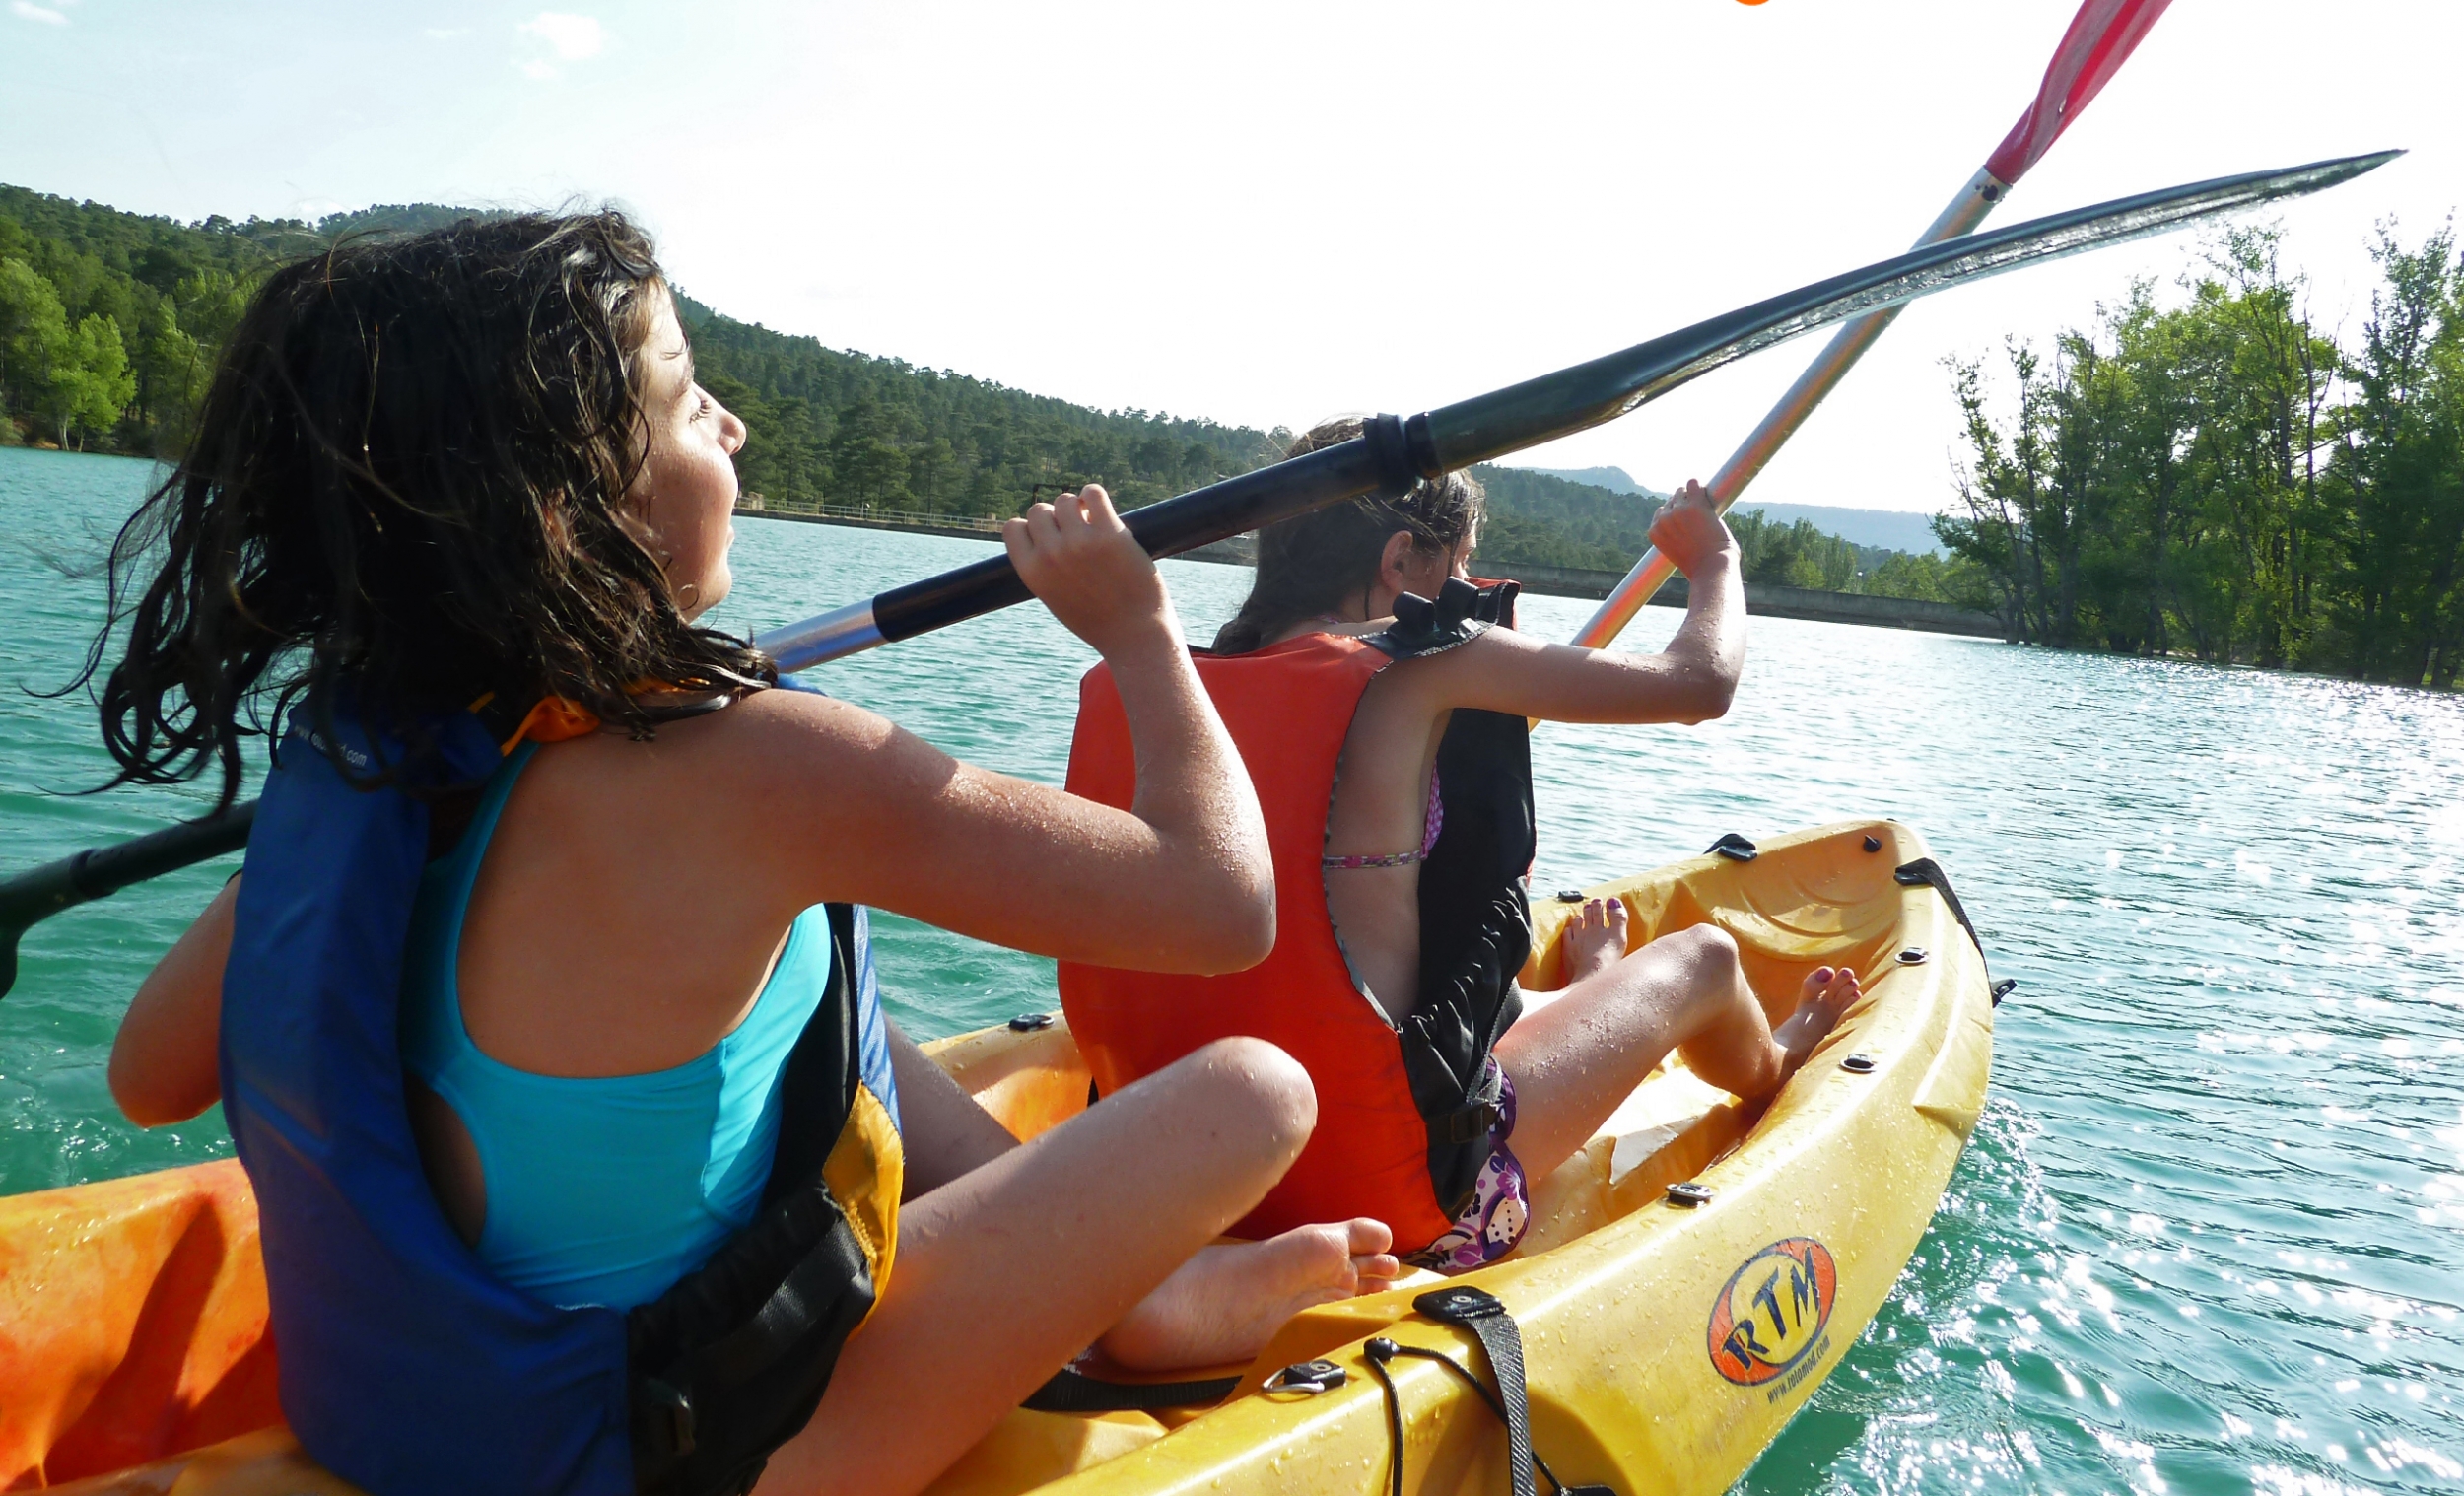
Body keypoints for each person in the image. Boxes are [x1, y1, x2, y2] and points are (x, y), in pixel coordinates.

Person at [97, 216, 1395, 1496]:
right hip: (674, 1454)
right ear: (569, 511)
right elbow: (1221, 902)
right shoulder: (761, 770)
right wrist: (1140, 634)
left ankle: (1148, 1288)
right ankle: (1133, 1302)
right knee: (1253, 1093)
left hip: (407, 1429)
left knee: (812, 981)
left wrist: (313, 867)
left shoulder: (361, 770)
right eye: (689, 397)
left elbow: (151, 1072)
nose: (734, 427)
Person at [1059, 418, 1858, 1275]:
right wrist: (1714, 564)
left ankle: (1584, 991)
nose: (1467, 588)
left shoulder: (1144, 683)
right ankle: (1775, 1060)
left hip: (1166, 1166)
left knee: (1440, 966)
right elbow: (1702, 681)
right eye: (1461, 564)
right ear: (1400, 562)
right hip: (1385, 1190)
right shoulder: (1430, 663)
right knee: (1704, 960)